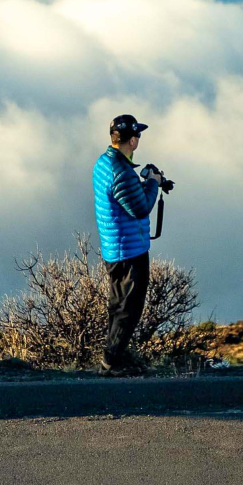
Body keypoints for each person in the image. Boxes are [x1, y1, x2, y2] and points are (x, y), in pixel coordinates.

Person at [93, 114, 162, 375]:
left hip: (114, 247)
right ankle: (111, 363)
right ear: (132, 140)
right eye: (138, 136)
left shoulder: (103, 163)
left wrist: (144, 183)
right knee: (129, 309)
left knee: (117, 304)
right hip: (129, 251)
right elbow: (140, 208)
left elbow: (126, 200)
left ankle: (113, 357)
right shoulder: (121, 172)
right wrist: (153, 183)